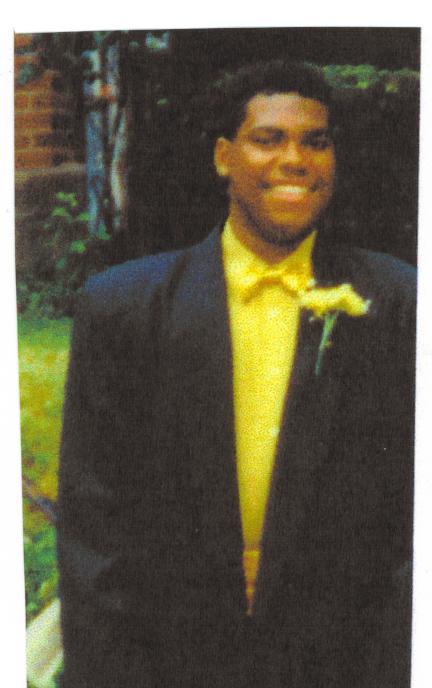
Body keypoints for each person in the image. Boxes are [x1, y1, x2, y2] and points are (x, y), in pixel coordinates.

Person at [57, 60, 416, 688]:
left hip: (342, 659)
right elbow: (94, 530)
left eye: (315, 141)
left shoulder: (398, 302)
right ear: (224, 156)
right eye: (268, 139)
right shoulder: (123, 309)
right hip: (170, 658)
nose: (295, 159)